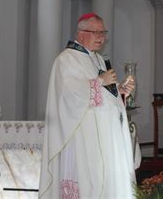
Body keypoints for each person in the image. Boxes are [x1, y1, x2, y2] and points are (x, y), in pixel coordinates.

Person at [39, 13, 136, 199]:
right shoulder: (66, 59)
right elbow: (70, 96)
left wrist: (121, 92)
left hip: (105, 136)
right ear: (81, 33)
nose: (101, 37)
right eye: (96, 32)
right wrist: (99, 81)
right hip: (82, 137)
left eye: (103, 32)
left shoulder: (98, 59)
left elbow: (105, 96)